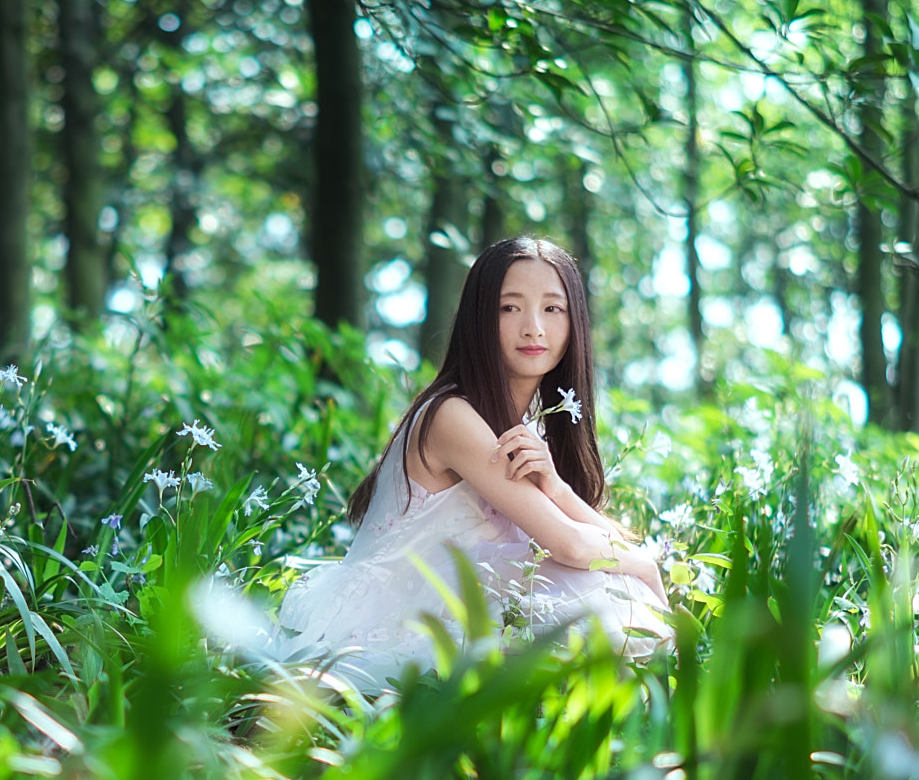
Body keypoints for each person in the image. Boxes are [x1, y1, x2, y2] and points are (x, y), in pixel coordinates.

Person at [276, 235, 672, 685]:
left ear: (574, 322)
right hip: (394, 619)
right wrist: (646, 565)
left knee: (607, 593)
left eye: (552, 308)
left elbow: (582, 541)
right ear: (479, 319)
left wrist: (557, 488)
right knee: (608, 596)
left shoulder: (529, 431)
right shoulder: (452, 416)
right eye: (510, 308)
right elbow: (572, 546)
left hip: (457, 602)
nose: (533, 328)